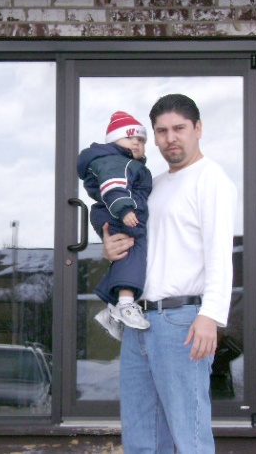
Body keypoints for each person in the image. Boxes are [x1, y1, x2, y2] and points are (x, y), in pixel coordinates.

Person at [103, 94, 237, 453]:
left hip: (182, 322)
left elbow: (220, 255)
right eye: (161, 131)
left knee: (189, 437)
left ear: (198, 129)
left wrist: (211, 315)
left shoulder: (211, 180)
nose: (169, 138)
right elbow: (141, 246)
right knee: (142, 439)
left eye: (179, 128)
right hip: (140, 322)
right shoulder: (154, 184)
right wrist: (111, 247)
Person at [77, 111, 152, 340]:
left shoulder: (123, 162)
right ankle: (126, 304)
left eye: (140, 140)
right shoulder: (117, 163)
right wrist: (125, 210)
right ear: (114, 141)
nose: (136, 143)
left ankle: (112, 309)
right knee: (133, 253)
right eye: (130, 138)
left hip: (115, 212)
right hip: (119, 212)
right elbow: (113, 187)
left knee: (130, 254)